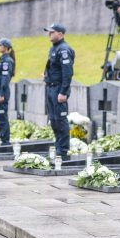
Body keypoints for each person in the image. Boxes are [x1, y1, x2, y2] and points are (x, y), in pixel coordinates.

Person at [43, 22, 75, 159]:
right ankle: (58, 148)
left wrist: (63, 92)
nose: (49, 34)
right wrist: (46, 75)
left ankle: (63, 152)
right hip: (51, 87)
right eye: (49, 32)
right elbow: (53, 67)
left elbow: (67, 73)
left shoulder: (64, 49)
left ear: (60, 34)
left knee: (60, 120)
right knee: (54, 120)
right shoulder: (54, 48)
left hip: (58, 89)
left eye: (52, 32)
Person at [0, 38, 15, 144]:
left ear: (5, 47)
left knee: (2, 117)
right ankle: (2, 138)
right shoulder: (2, 60)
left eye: (0, 45)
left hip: (1, 92)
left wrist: (1, 94)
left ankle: (5, 141)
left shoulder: (7, 61)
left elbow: (5, 79)